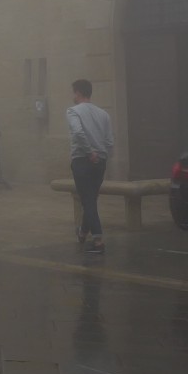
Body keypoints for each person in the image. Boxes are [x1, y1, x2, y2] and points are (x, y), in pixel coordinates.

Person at [67, 78, 114, 254]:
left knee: (87, 200)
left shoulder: (73, 111)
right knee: (91, 199)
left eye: (73, 92)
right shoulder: (104, 114)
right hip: (100, 161)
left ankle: (98, 239)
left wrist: (89, 152)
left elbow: (78, 132)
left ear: (78, 92)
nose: (73, 96)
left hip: (81, 159)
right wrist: (103, 157)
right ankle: (82, 232)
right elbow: (110, 140)